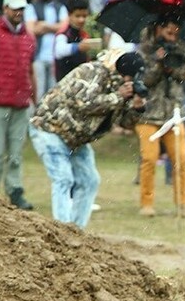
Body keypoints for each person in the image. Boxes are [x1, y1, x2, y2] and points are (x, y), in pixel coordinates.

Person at [28, 51, 145, 228]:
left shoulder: (123, 87)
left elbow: (125, 123)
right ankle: (61, 230)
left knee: (89, 180)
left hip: (75, 138)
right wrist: (118, 96)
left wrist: (137, 108)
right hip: (50, 127)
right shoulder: (94, 72)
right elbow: (85, 102)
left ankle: (76, 231)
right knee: (63, 178)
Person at [136, 17, 185, 217]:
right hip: (148, 112)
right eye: (168, 30)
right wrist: (158, 64)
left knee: (180, 158)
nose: (173, 33)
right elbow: (143, 80)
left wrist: (173, 68)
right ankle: (147, 203)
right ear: (158, 28)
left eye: (175, 30)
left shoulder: (182, 49)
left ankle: (183, 203)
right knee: (149, 158)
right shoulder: (143, 51)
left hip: (174, 111)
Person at [0, 0, 35, 210]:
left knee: (15, 154)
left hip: (20, 103)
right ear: (5, 9)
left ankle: (15, 191)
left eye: (21, 9)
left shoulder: (27, 37)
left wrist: (34, 98)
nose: (18, 13)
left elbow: (30, 71)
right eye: (15, 8)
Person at [24, 0, 67, 100]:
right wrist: (54, 27)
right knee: (39, 92)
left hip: (55, 56)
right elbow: (31, 30)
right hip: (38, 56)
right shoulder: (32, 7)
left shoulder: (60, 7)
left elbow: (64, 27)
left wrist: (44, 25)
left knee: (54, 92)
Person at [53, 0, 99, 82]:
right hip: (64, 81)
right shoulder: (63, 34)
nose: (81, 20)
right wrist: (77, 47)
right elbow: (59, 51)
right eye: (77, 16)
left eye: (84, 16)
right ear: (69, 15)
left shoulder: (84, 34)